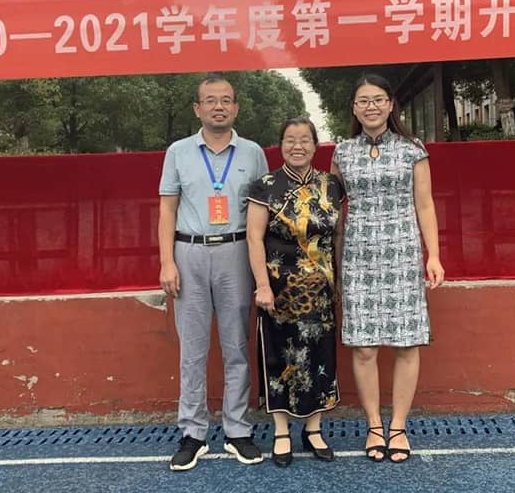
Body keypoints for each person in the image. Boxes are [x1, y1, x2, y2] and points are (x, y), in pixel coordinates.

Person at [331, 73, 445, 464]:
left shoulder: (412, 149)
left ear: (391, 104)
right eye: (363, 101)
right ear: (354, 108)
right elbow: (333, 210)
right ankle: (373, 425)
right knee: (364, 347)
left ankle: (397, 426)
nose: (371, 107)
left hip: (402, 254)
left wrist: (433, 255)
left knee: (406, 344)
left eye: (378, 99)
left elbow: (425, 204)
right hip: (358, 256)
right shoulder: (343, 152)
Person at [158, 74, 268, 470]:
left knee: (236, 345)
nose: (218, 107)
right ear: (197, 108)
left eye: (225, 100)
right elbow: (167, 209)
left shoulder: (253, 153)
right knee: (193, 348)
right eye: (210, 100)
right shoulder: (178, 152)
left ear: (236, 107)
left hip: (236, 252)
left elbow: (262, 212)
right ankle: (193, 432)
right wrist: (167, 261)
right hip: (189, 251)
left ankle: (237, 430)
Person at [246, 118, 343, 468]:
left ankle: (313, 428)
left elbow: (337, 235)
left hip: (320, 288)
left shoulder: (331, 185)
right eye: (290, 139)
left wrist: (338, 281)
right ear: (281, 144)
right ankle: (281, 430)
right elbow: (254, 238)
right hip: (278, 289)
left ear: (316, 145)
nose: (297, 146)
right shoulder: (265, 186)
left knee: (319, 355)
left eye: (304, 140)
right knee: (280, 356)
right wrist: (261, 284)